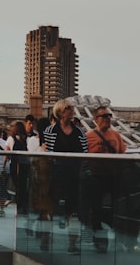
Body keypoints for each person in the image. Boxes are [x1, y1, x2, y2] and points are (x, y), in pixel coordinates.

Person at [41, 99, 88, 254]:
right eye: (69, 108)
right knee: (50, 210)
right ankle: (46, 240)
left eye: (72, 107)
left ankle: (72, 245)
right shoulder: (50, 131)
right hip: (55, 176)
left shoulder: (80, 131)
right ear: (60, 111)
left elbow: (85, 154)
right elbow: (47, 154)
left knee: (74, 212)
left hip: (75, 176)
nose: (72, 110)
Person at [85, 105, 129, 253]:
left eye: (109, 115)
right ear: (96, 119)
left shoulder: (116, 135)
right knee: (96, 210)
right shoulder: (89, 136)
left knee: (115, 210)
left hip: (113, 177)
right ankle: (99, 242)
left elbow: (123, 153)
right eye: (104, 116)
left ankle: (116, 240)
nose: (108, 118)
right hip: (96, 178)